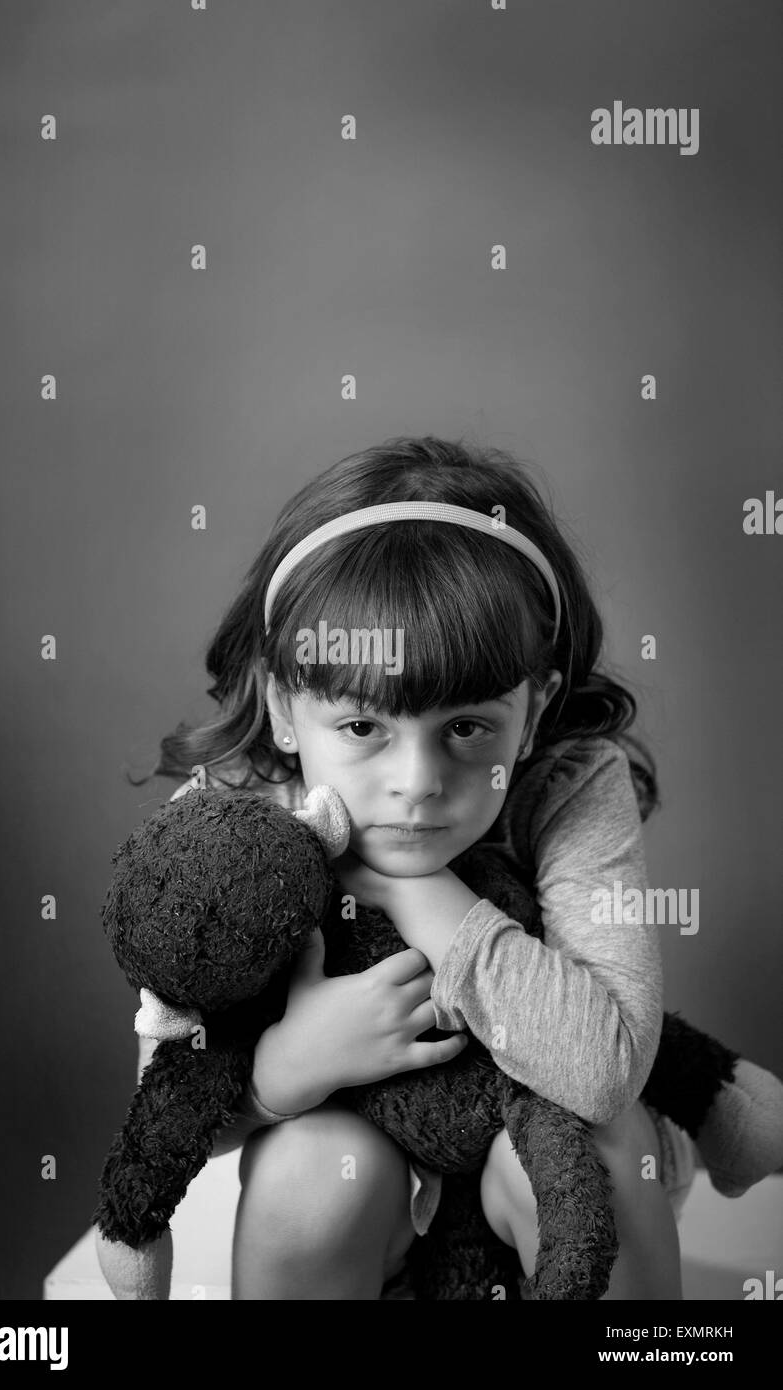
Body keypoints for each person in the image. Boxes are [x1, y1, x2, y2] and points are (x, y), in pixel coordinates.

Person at [137, 434, 697, 1300]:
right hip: (364, 1195)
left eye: (468, 729)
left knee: (612, 1153)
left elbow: (607, 1067)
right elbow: (166, 1115)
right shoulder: (231, 825)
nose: (417, 786)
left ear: (536, 708)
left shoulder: (572, 783)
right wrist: (292, 1066)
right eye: (363, 729)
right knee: (313, 1169)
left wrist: (420, 891)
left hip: (534, 1155)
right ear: (287, 708)